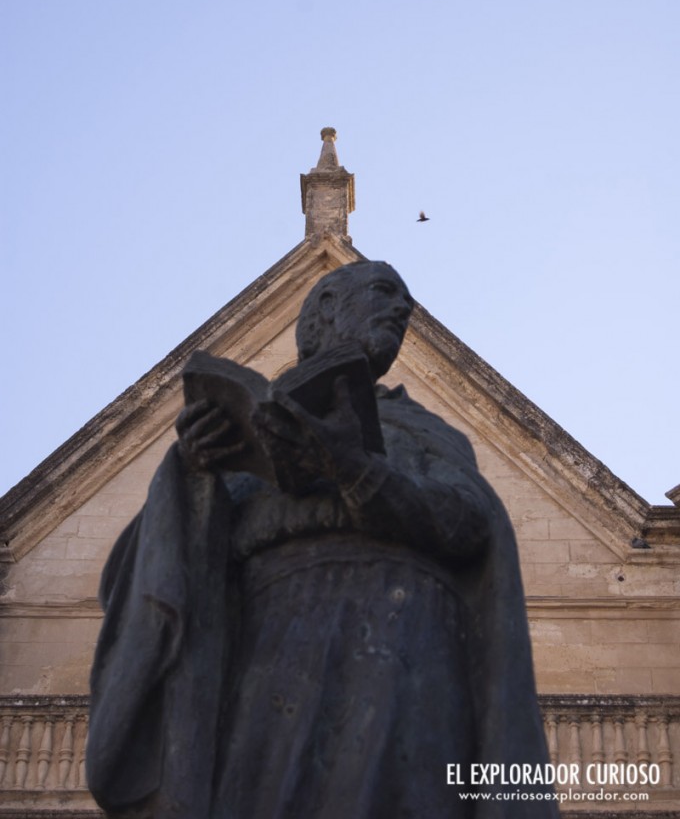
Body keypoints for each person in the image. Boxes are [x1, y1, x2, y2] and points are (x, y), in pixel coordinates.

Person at [87, 261, 557, 819]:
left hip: (407, 665)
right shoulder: (255, 426)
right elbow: (156, 579)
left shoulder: (429, 432)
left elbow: (469, 521)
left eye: (405, 304)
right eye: (385, 293)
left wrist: (356, 468)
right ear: (329, 307)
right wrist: (192, 472)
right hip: (272, 675)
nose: (402, 311)